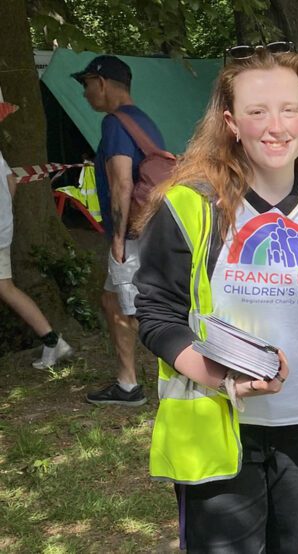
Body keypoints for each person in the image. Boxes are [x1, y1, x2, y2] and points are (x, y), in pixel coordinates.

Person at [133, 45, 298, 552]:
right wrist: (219, 375)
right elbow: (156, 315)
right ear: (231, 122)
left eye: (289, 109)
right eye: (256, 111)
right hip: (220, 422)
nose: (276, 125)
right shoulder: (188, 207)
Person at [72, 55, 165, 406]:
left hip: (132, 234)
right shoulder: (142, 121)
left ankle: (178, 373)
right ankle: (128, 383)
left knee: (132, 308)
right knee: (113, 300)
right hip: (150, 228)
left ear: (102, 82)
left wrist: (117, 237)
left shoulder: (115, 124)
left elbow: (122, 184)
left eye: (86, 85)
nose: (84, 93)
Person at [0, 103, 72, 369]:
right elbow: (11, 182)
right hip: (3, 228)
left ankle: (54, 341)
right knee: (6, 288)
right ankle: (53, 340)